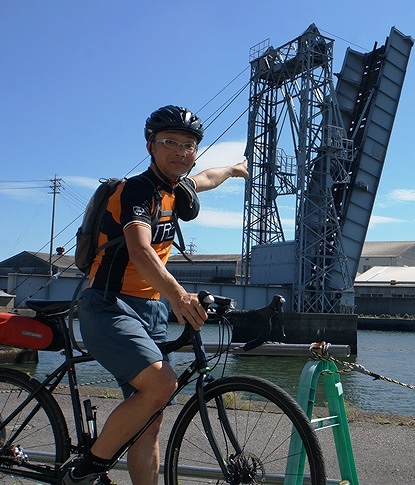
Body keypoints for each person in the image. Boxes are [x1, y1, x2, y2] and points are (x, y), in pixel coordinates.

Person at [63, 105, 249, 485]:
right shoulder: (138, 190)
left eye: (189, 145)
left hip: (149, 312)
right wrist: (180, 297)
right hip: (107, 305)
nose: (181, 151)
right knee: (162, 386)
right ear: (151, 145)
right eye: (170, 142)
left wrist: (233, 169)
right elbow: (141, 251)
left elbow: (207, 178)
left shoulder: (175, 191)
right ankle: (86, 472)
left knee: (150, 421)